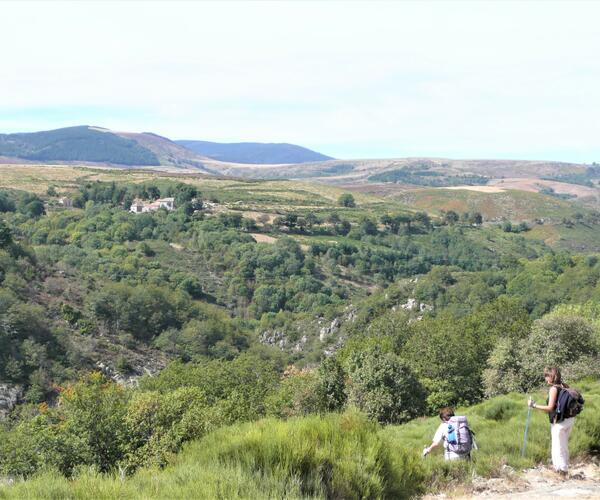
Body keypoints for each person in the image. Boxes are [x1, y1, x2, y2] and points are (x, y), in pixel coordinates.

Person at [527, 367, 575, 475]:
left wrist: (533, 405)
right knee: (563, 445)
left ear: (551, 376)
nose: (545, 378)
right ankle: (564, 467)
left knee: (558, 446)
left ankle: (561, 471)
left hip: (559, 422)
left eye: (546, 376)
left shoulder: (553, 389)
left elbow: (550, 408)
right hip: (569, 420)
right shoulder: (565, 386)